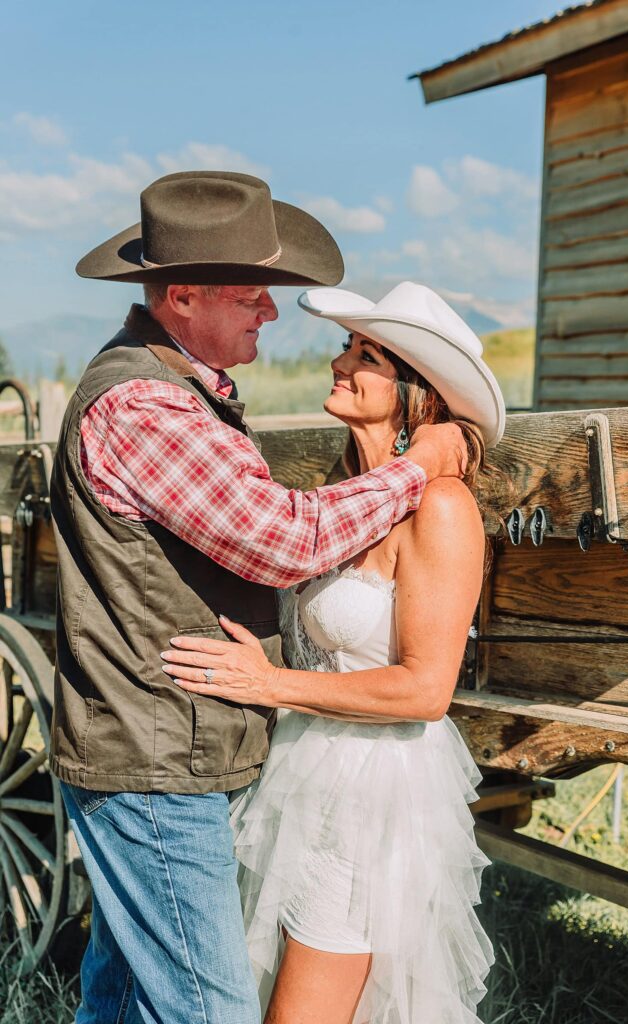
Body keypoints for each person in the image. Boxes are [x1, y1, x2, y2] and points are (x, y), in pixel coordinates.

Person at [50, 172, 469, 1024]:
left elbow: (422, 676)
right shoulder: (145, 404)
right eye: (251, 297)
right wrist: (417, 466)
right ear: (182, 296)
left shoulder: (187, 394)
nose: (274, 317)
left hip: (200, 751)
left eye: (368, 352)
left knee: (128, 992)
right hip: (155, 756)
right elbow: (287, 543)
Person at [162, 281, 506, 1024]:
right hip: (312, 765)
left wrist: (270, 683)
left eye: (367, 354)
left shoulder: (441, 508)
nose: (338, 361)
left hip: (372, 787)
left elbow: (425, 690)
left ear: (416, 393)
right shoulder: (346, 495)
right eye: (348, 345)